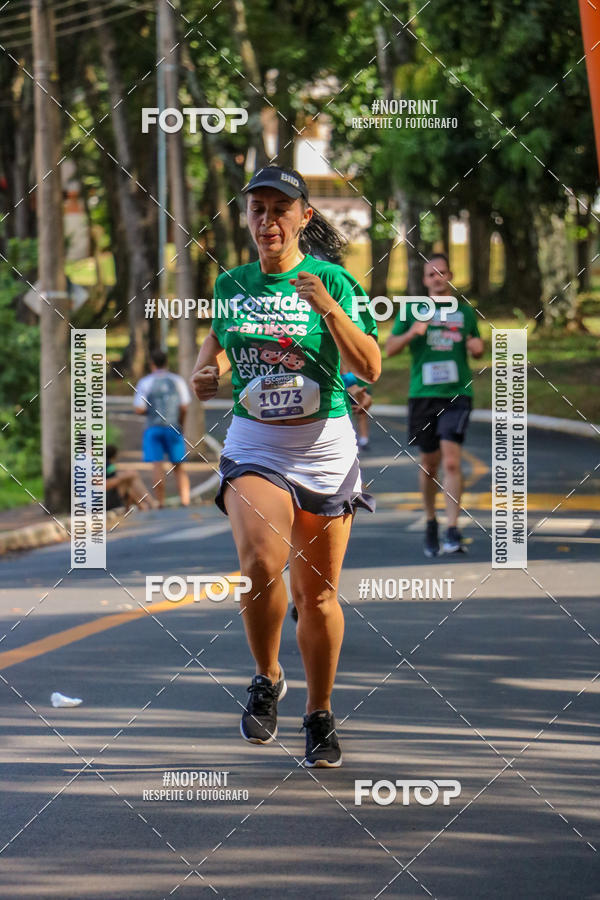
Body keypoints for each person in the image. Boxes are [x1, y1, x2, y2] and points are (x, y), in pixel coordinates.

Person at [190, 165, 380, 767]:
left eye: (280, 209)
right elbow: (218, 344)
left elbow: (371, 366)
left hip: (324, 445)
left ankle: (319, 712)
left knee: (317, 595)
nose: (267, 221)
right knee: (259, 564)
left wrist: (327, 307)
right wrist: (208, 373)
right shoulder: (234, 284)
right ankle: (267, 676)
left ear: (305, 216)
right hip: (256, 443)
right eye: (257, 210)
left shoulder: (334, 281)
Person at [385, 253, 484, 556]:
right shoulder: (412, 310)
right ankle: (431, 521)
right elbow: (389, 349)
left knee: (451, 461)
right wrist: (413, 332)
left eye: (442, 273)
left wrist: (477, 347)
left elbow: (477, 347)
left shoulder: (465, 313)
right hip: (423, 395)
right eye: (431, 274)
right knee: (430, 464)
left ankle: (452, 528)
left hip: (456, 393)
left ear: (450, 276)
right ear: (425, 280)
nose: (437, 278)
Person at [133, 348, 191, 507]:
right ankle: (185, 500)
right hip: (173, 426)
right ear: (166, 362)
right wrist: (181, 423)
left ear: (152, 364)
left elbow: (138, 408)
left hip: (153, 427)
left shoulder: (145, 382)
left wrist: (152, 411)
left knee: (157, 465)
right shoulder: (177, 380)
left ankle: (160, 502)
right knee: (179, 466)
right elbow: (184, 405)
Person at [105, 444, 158, 511]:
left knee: (128, 480)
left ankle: (142, 504)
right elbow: (110, 478)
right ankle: (146, 503)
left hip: (109, 496)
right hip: (106, 499)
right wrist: (124, 476)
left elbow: (112, 476)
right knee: (128, 480)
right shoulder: (109, 465)